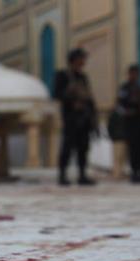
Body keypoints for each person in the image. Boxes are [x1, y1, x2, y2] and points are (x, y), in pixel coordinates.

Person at [54, 48, 97, 186]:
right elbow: (56, 94)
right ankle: (62, 175)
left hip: (84, 118)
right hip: (71, 118)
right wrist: (71, 101)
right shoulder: (63, 75)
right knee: (67, 147)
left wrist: (92, 116)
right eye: (81, 58)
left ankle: (82, 175)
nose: (83, 61)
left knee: (83, 148)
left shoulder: (82, 77)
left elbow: (89, 98)